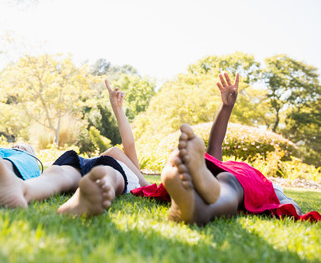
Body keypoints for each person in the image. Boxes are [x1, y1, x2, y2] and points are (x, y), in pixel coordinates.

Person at [0, 50, 149, 216]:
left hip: (109, 170)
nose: (20, 146)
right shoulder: (130, 167)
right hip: (78, 163)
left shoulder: (135, 181)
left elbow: (128, 149)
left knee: (107, 175)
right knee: (56, 176)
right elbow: (126, 146)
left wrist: (118, 110)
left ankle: (79, 202)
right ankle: (20, 189)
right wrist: (118, 109)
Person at [133, 72, 319, 225]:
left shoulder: (271, 187)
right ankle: (196, 203)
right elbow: (216, 147)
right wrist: (226, 107)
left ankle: (190, 188)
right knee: (226, 180)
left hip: (225, 174)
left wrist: (226, 107)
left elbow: (215, 146)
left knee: (225, 179)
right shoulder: (264, 185)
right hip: (228, 175)